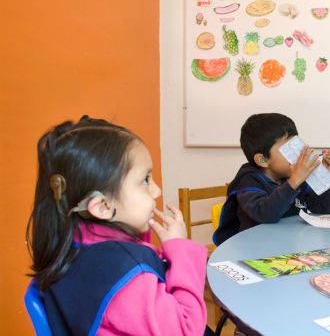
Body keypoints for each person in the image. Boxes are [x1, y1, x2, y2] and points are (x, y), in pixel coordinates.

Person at [26, 116, 210, 336]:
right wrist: (180, 248)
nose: (157, 191)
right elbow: (187, 329)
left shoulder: (74, 241)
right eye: (145, 180)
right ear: (103, 206)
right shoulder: (128, 280)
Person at [212, 113, 330, 246]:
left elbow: (326, 208)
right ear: (263, 160)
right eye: (289, 148)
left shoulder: (295, 176)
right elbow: (266, 214)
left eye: (297, 145)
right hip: (255, 251)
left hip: (288, 248)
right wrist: (294, 181)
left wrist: (326, 180)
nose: (299, 153)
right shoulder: (248, 181)